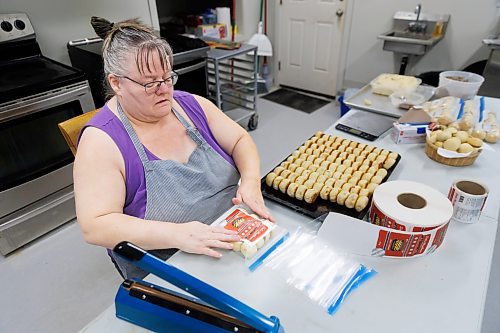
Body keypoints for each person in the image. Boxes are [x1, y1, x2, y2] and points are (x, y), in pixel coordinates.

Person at [73, 17, 273, 279]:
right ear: (117, 83)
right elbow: (95, 225)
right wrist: (178, 234)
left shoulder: (191, 105)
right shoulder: (101, 142)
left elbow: (240, 140)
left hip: (235, 233)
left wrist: (249, 180)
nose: (164, 90)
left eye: (168, 77)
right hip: (171, 263)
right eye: (150, 83)